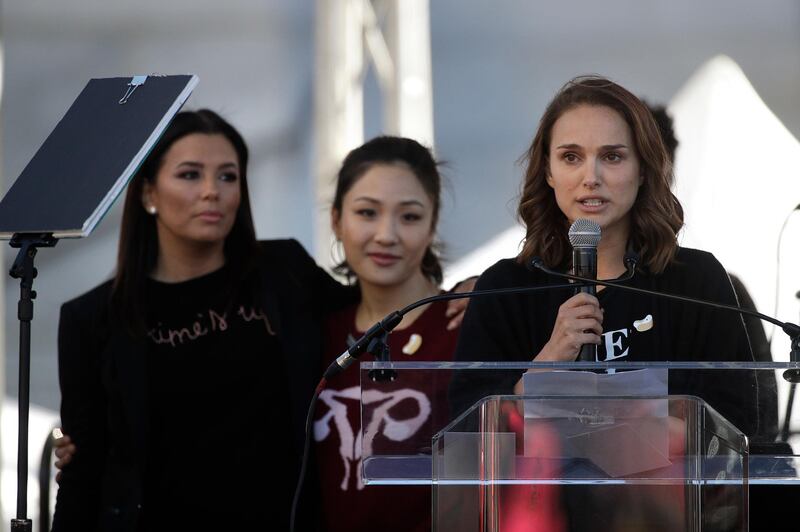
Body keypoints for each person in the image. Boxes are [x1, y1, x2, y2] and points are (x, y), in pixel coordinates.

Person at [450, 76, 760, 530]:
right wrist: (552, 357)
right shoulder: (505, 288)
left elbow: (738, 433)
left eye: (612, 156)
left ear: (643, 169)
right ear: (548, 171)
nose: (590, 176)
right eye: (571, 157)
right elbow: (463, 442)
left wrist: (624, 426)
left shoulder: (695, 282)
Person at [52, 109, 357, 531]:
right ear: (147, 193)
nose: (212, 191)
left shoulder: (284, 272)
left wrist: (452, 294)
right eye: (190, 175)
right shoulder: (91, 319)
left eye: (228, 176)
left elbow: (373, 315)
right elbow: (82, 474)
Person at [312, 136, 460, 532]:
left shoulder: (465, 326)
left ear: (432, 225)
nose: (386, 235)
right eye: (367, 213)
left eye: (409, 217)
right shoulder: (314, 332)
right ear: (336, 219)